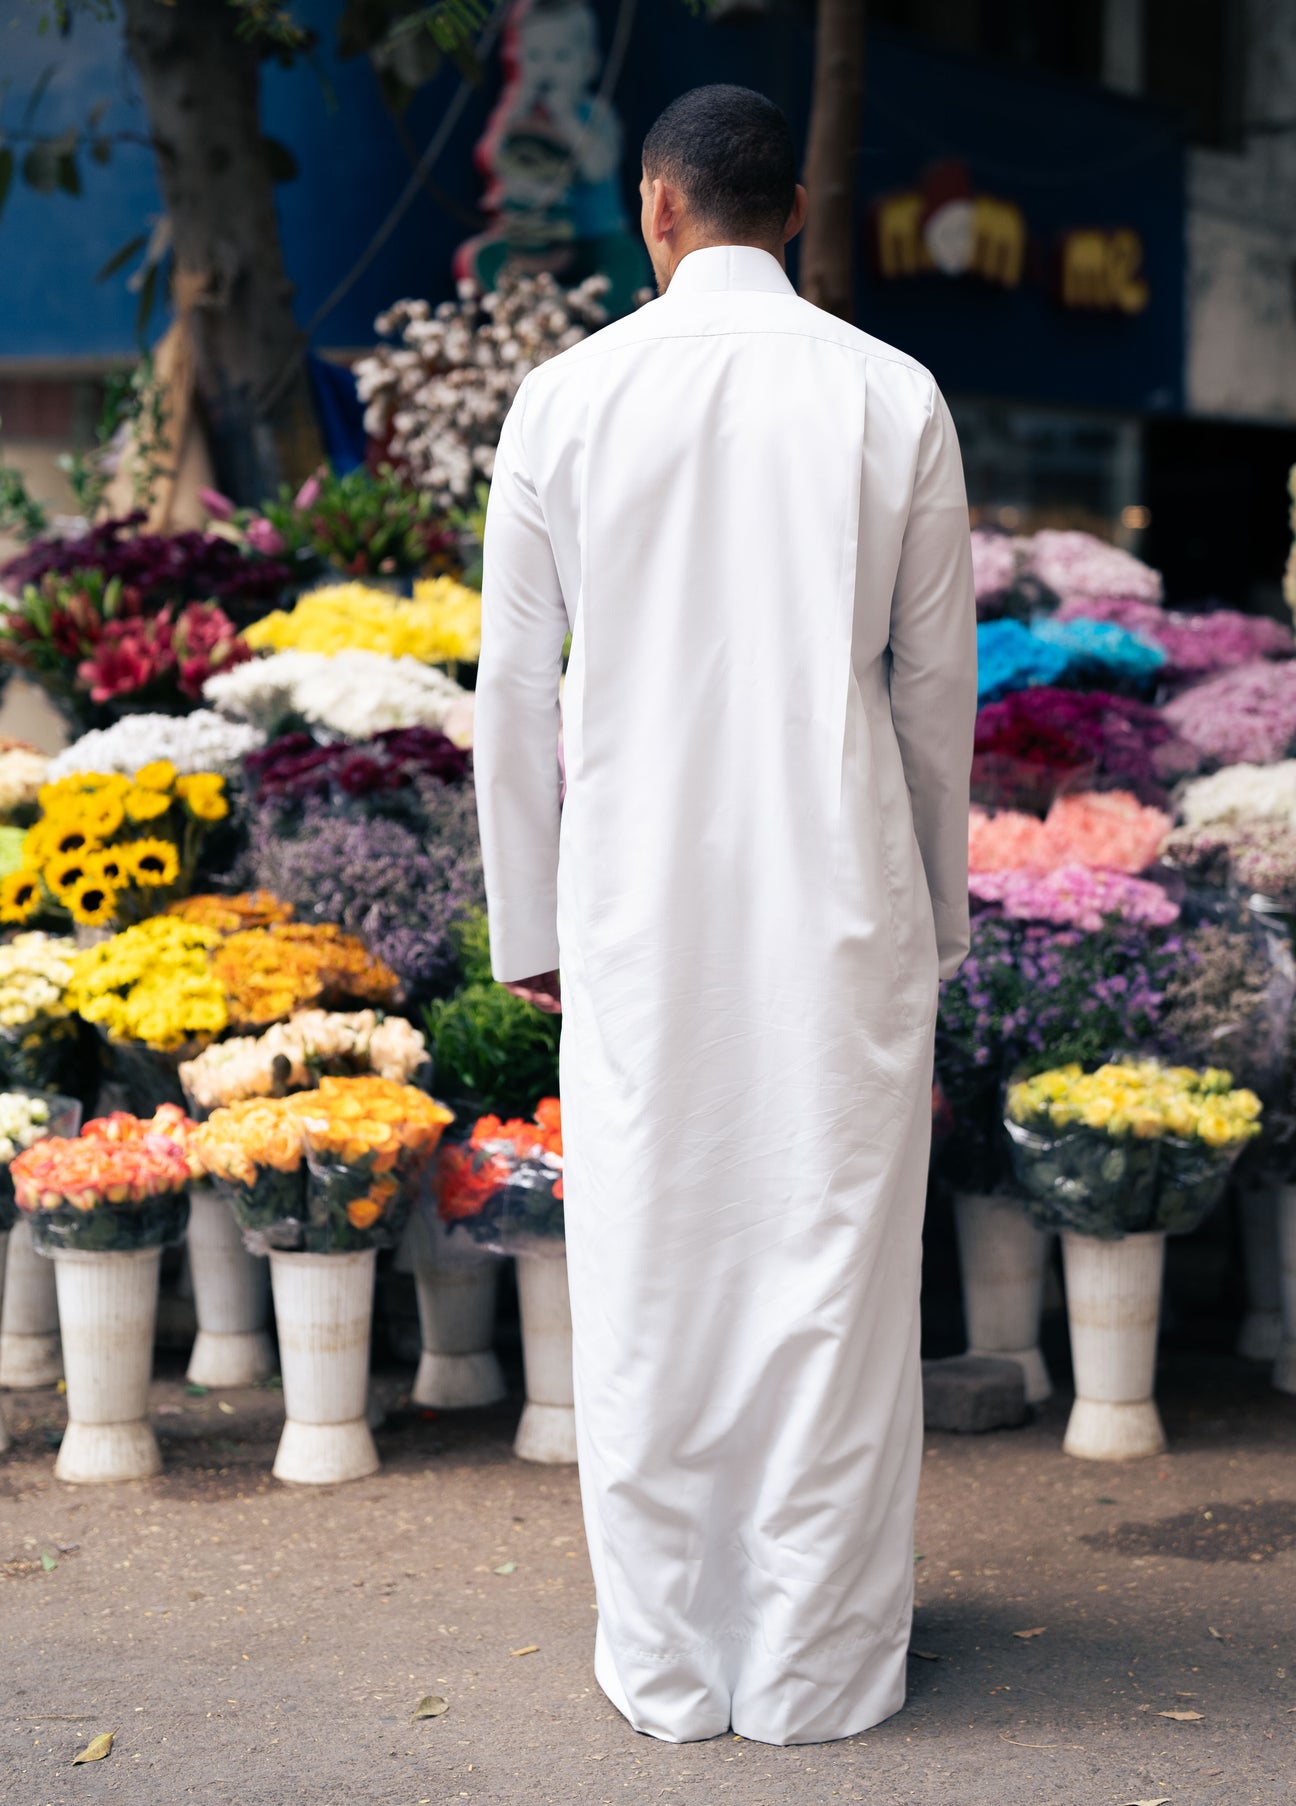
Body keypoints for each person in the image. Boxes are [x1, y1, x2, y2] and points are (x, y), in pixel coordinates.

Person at [473, 83, 976, 1747]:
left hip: (632, 909)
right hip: (840, 893)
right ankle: (822, 1668)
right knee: (830, 1275)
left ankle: (671, 1667)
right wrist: (932, 920)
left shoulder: (565, 397)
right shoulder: (890, 395)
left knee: (653, 1271)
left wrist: (523, 924)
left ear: (657, 210)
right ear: (800, 217)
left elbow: (511, 699)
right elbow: (930, 702)